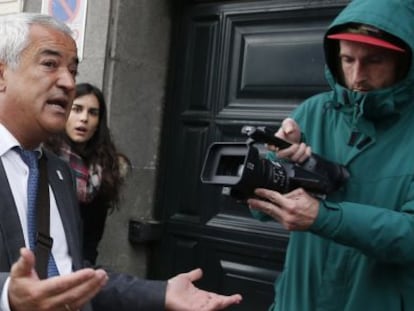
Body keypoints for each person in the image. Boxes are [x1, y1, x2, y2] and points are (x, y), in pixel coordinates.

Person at [0, 12, 242, 311]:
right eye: (50, 64)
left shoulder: (59, 172)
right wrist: (8, 295)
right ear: (2, 75)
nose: (67, 81)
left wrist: (160, 293)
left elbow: (73, 274)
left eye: (73, 71)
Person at [246, 0, 414, 310]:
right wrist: (278, 163)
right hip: (298, 301)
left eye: (374, 60)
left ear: (404, 62)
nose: (357, 76)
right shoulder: (314, 111)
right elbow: (259, 209)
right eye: (347, 60)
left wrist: (323, 217)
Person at [45, 82, 130, 265]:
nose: (84, 118)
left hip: (79, 266)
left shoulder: (106, 170)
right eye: (76, 109)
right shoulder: (44, 158)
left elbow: (93, 236)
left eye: (93, 113)